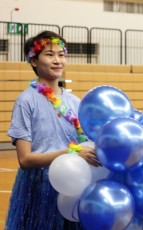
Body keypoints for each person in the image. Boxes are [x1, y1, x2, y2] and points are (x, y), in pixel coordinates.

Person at [5, 30, 100, 230]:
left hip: (74, 187)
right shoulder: (26, 101)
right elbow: (25, 160)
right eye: (49, 55)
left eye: (61, 54)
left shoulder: (75, 102)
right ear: (33, 61)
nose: (57, 60)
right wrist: (72, 152)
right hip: (40, 190)